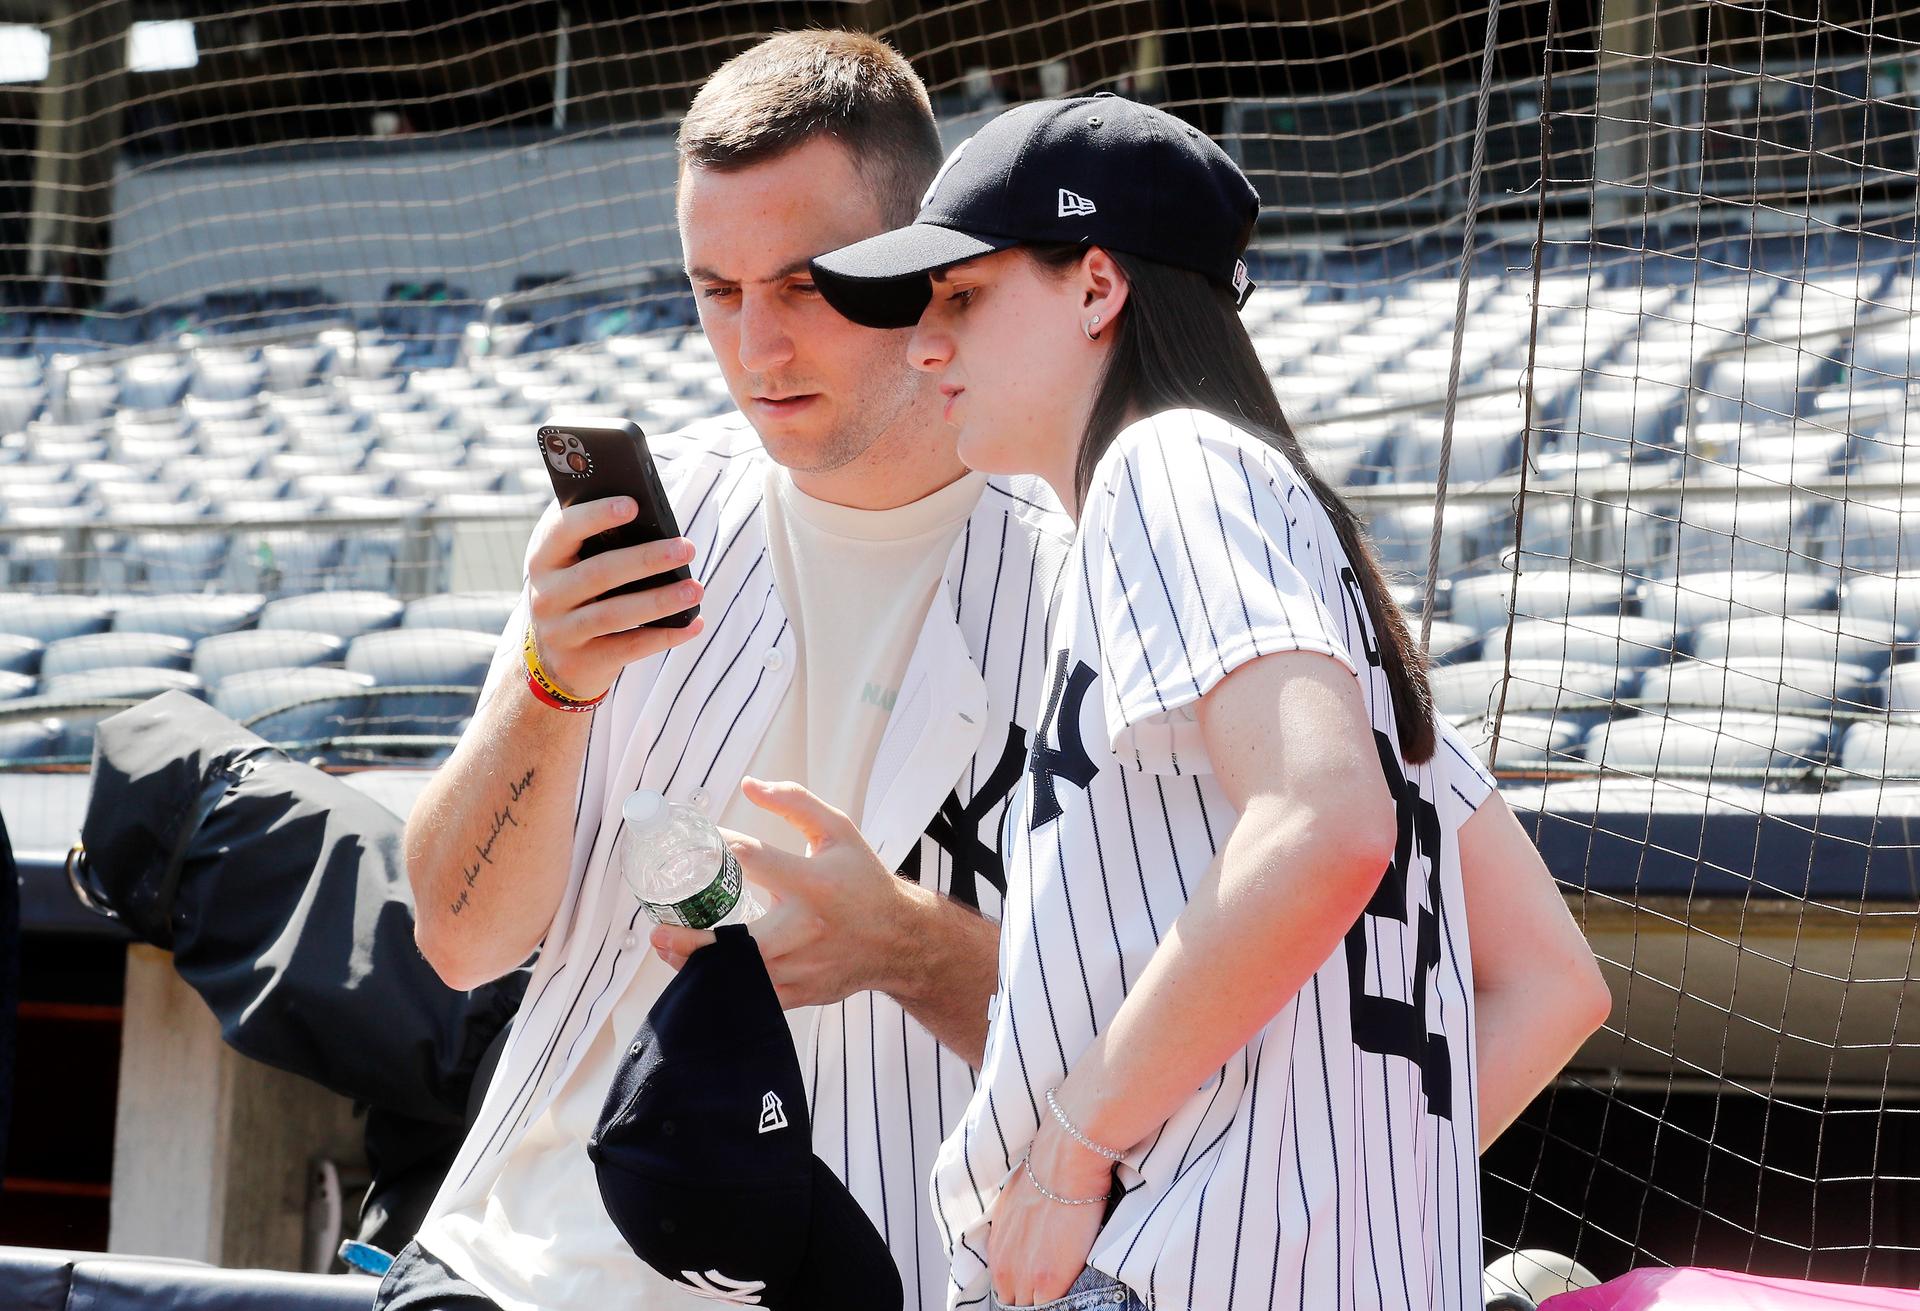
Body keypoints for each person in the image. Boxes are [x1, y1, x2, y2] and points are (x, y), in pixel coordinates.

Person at [809, 96, 1613, 1309]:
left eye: (962, 298)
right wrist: (1324, 1211)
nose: (923, 347)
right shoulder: (1306, 560)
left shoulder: (1166, 464)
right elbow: (1555, 978)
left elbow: (1324, 824)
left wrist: (1082, 1153)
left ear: (1095, 287)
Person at [390, 33, 1072, 1311]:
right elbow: (460, 940)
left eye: (806, 284)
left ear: (921, 262)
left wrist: (909, 949)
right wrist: (551, 689)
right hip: (520, 1265)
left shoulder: (1083, 579)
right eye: (716, 289)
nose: (757, 347)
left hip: (880, 1271)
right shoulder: (647, 525)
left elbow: (1180, 1053)